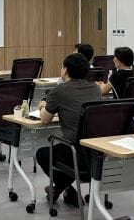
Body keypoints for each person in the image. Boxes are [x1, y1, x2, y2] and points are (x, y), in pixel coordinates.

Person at [36, 53, 101, 207]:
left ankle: (62, 188)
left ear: (65, 71)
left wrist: (43, 106)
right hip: (95, 152)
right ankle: (65, 191)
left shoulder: (60, 90)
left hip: (76, 153)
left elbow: (45, 120)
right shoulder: (96, 88)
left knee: (43, 153)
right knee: (60, 151)